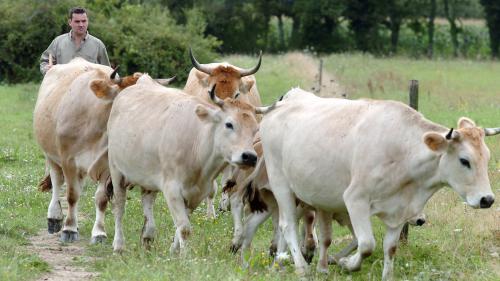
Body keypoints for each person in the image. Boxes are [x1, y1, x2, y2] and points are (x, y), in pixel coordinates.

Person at [40, 7, 110, 75]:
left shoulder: (98, 44)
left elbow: (107, 70)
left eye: (84, 21)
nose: (81, 25)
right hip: (63, 85)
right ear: (70, 22)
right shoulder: (58, 42)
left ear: (87, 21)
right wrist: (47, 69)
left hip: (88, 86)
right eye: (77, 21)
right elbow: (45, 61)